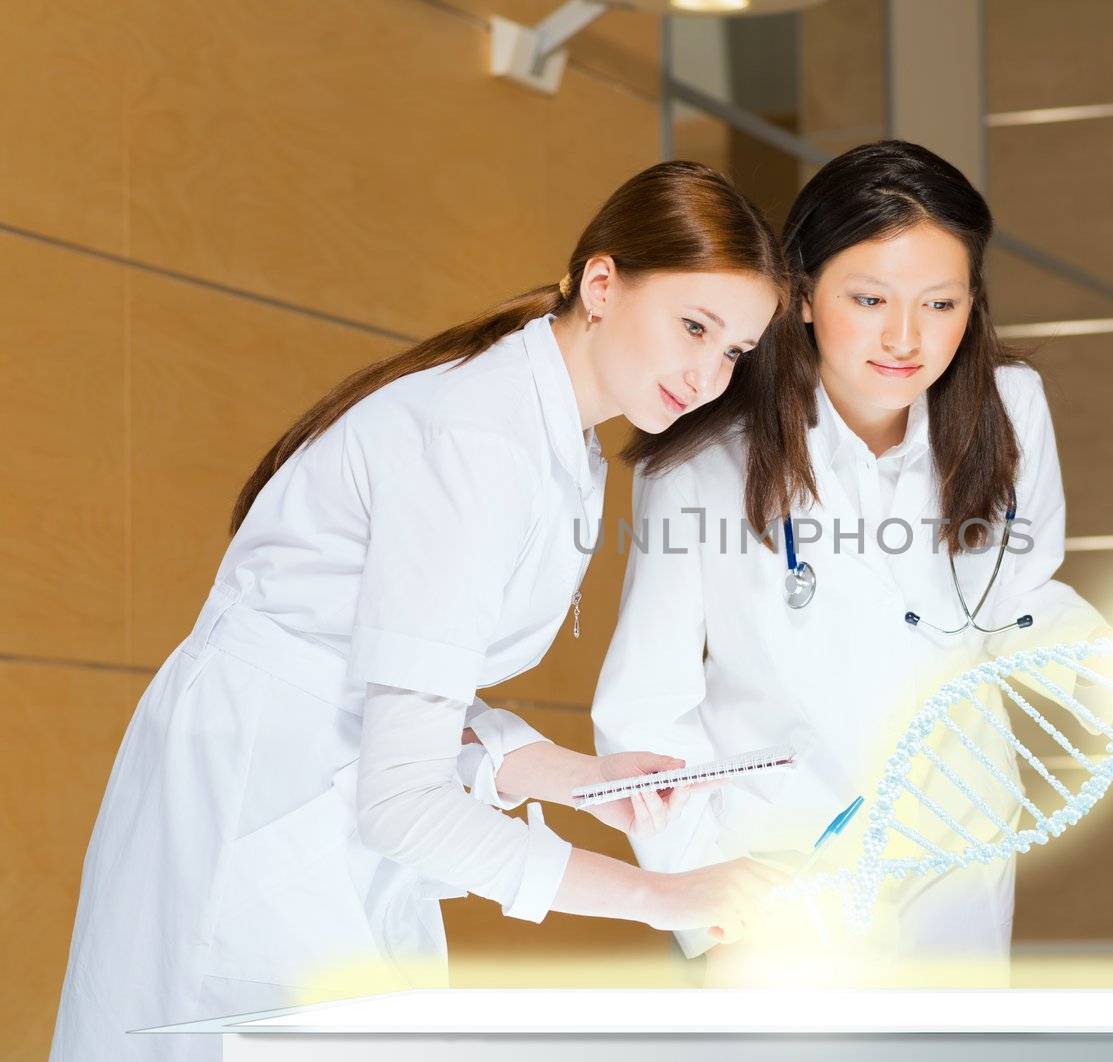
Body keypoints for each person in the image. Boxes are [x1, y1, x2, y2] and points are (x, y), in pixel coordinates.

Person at [51, 160, 789, 1061]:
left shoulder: (551, 433)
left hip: (308, 800)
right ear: (602, 283)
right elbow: (401, 801)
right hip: (257, 801)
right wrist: (668, 897)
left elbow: (405, 688)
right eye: (694, 325)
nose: (708, 373)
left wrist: (568, 775)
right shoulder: (483, 439)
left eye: (734, 351)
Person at [591, 141, 1112, 982]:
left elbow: (1016, 597)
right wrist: (706, 901)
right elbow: (645, 712)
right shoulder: (700, 464)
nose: (905, 338)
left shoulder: (1010, 412)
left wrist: (1107, 668)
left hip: (955, 862)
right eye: (868, 299)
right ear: (801, 298)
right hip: (779, 881)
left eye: (940, 303)